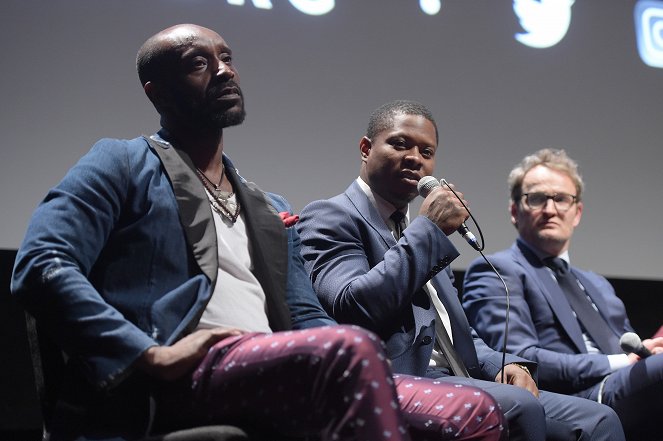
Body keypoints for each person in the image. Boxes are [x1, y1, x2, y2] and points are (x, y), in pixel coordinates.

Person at [10, 25, 507, 441]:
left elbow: (308, 313)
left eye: (226, 57)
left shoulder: (270, 208)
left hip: (273, 366)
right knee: (351, 350)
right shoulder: (122, 162)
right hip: (177, 374)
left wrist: (367, 361)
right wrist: (149, 354)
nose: (224, 69)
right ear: (156, 91)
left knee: (477, 413)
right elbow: (41, 265)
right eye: (198, 62)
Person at [297, 100, 626, 441]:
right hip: (397, 380)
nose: (415, 158)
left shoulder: (418, 230)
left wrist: (504, 364)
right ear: (366, 149)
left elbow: (458, 334)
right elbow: (354, 308)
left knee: (599, 420)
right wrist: (427, 231)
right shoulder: (332, 216)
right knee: (518, 407)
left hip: (461, 377)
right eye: (399, 143)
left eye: (427, 151)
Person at [462, 148, 663, 440]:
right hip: (576, 399)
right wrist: (617, 362)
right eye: (537, 198)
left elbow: (632, 348)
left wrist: (648, 352)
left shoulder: (596, 284)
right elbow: (520, 360)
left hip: (627, 387)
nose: (550, 209)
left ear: (577, 212)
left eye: (561, 199)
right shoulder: (496, 270)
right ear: (515, 211)